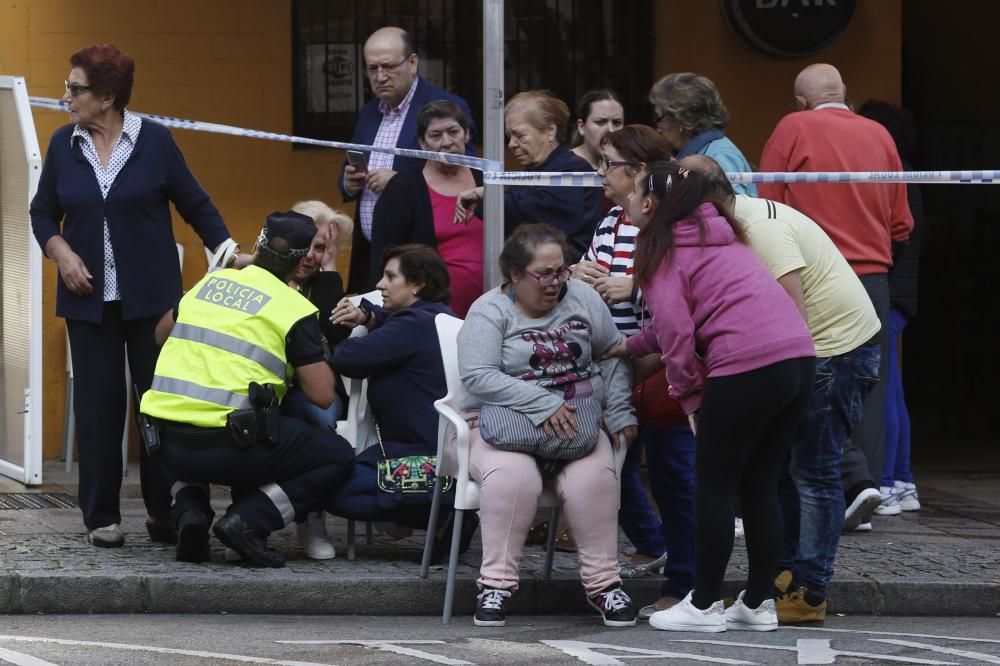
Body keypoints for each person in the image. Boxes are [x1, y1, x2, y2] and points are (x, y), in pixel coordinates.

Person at [29, 43, 236, 548]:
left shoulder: (156, 143)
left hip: (155, 302)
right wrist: (62, 253)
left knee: (160, 405)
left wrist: (229, 253)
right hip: (87, 301)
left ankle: (169, 513)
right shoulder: (63, 145)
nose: (65, 96)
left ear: (107, 96)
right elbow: (41, 213)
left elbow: (197, 206)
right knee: (99, 409)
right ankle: (102, 517)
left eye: (75, 88)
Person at [681, 154, 882, 625]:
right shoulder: (734, 224)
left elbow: (793, 316)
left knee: (813, 471)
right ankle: (786, 574)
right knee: (784, 471)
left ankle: (810, 589)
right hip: (817, 349)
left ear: (703, 200)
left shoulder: (759, 231)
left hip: (836, 349)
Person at [616, 161, 815, 632]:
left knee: (714, 487)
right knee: (760, 483)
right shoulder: (720, 235)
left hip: (745, 367)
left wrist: (689, 399)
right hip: (798, 360)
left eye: (630, 192)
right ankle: (758, 603)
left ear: (649, 204)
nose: (622, 199)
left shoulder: (659, 250)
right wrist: (626, 346)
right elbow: (680, 321)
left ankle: (704, 604)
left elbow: (678, 334)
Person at [139, 211, 355, 567]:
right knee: (337, 455)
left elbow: (160, 334)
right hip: (232, 446)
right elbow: (322, 396)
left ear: (258, 245)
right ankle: (248, 520)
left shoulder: (210, 283)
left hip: (165, 443)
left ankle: (190, 510)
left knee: (181, 427)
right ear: (304, 260)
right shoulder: (293, 308)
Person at [457, 224, 639, 628]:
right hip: (500, 426)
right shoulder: (489, 310)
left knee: (593, 479)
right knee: (511, 478)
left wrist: (620, 409)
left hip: (577, 424)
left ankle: (605, 585)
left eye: (562, 271)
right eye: (545, 274)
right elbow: (477, 375)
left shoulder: (584, 298)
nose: (556, 283)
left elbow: (612, 354)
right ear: (515, 275)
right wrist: (542, 402)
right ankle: (496, 586)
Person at [759, 64, 914, 528]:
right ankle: (863, 494)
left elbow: (769, 203)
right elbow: (902, 221)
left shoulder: (793, 126)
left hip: (812, 273)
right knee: (867, 385)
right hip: (872, 276)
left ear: (802, 101)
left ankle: (827, 492)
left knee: (808, 379)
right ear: (844, 92)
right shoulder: (881, 135)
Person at [574, 125, 696, 619]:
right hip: (614, 365)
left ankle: (685, 583)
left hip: (663, 365)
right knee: (610, 470)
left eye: (610, 164)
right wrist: (580, 275)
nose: (601, 173)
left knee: (675, 478)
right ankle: (655, 544)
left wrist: (634, 286)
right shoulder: (611, 222)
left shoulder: (674, 223)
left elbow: (689, 292)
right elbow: (591, 269)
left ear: (640, 171)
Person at [325, 244, 469, 555]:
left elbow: (348, 357)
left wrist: (366, 321)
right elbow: (395, 329)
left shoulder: (412, 324)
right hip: (443, 456)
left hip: (422, 460)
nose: (380, 285)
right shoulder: (435, 317)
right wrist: (372, 315)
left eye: (391, 276)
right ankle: (439, 507)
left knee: (331, 488)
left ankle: (440, 508)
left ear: (418, 284)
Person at [338, 26, 477, 293]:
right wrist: (348, 182)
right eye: (372, 68)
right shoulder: (368, 112)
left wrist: (402, 181)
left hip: (422, 257)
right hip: (372, 251)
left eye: (388, 66)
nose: (380, 76)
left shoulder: (445, 106)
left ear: (413, 63)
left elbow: (465, 168)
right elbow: (348, 168)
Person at [857, 100, 925, 516]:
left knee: (884, 389)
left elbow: (901, 235)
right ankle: (901, 479)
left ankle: (890, 480)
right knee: (891, 387)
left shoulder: (892, 173)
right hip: (899, 290)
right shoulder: (901, 171)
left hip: (892, 290)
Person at [283, 200, 354, 560]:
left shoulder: (327, 285)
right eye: (309, 243)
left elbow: (333, 335)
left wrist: (328, 272)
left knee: (323, 415)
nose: (313, 254)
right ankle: (248, 518)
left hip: (310, 391)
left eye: (323, 248)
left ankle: (312, 519)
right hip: (263, 387)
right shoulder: (268, 275)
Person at [369, 101, 484, 317]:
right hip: (431, 315)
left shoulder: (486, 179)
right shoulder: (403, 187)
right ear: (423, 143)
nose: (446, 142)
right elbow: (383, 257)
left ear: (466, 135)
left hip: (489, 307)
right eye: (436, 135)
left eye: (453, 132)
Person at [456, 91, 602, 259]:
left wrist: (485, 195)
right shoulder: (532, 170)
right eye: (509, 137)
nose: (511, 144)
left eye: (520, 135)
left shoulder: (573, 168)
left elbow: (528, 209)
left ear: (550, 131)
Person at [647, 72, 757, 196]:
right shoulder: (684, 153)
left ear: (682, 119)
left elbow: (733, 210)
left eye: (659, 117)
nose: (657, 125)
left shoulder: (720, 157)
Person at [569, 89, 625, 214]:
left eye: (617, 123)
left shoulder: (631, 169)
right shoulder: (563, 167)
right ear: (581, 126)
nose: (610, 130)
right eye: (600, 122)